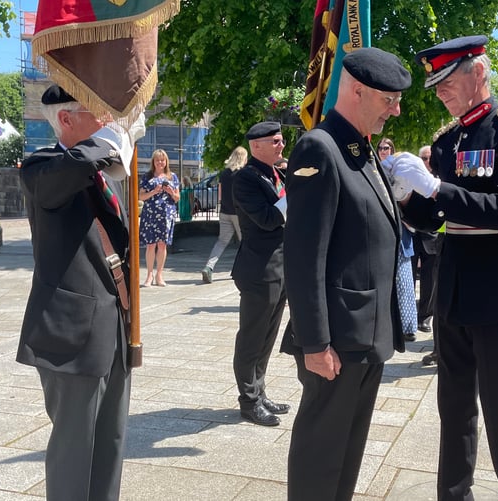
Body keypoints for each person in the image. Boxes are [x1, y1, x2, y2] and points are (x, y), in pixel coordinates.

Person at [394, 35, 498, 501]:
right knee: (453, 408)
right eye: (434, 84)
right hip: (454, 287)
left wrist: (436, 188)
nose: (439, 92)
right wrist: (407, 199)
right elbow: (434, 219)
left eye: (446, 81)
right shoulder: (446, 139)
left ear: (478, 72)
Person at [281, 47, 410, 501]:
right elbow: (303, 256)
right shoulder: (321, 146)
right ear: (357, 90)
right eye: (388, 100)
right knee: (322, 452)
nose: (395, 110)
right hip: (335, 337)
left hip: (366, 333)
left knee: (348, 450)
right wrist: (314, 343)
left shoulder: (360, 149)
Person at [17, 84, 133, 500]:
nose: (107, 121)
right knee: (74, 453)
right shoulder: (42, 168)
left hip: (113, 328)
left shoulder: (100, 174)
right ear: (65, 119)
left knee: (110, 444)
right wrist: (109, 144)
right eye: (96, 112)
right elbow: (70, 169)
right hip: (71, 334)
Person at [231, 121, 289, 426]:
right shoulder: (246, 179)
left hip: (281, 267)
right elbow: (268, 219)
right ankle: (248, 401)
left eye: (281, 140)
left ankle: (260, 390)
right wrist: (297, 193)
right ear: (257, 146)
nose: (282, 145)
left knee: (268, 336)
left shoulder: (277, 174)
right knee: (252, 337)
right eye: (276, 141)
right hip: (259, 268)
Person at [378, 136, 418, 343]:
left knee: (404, 281)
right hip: (381, 236)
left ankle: (408, 326)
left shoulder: (401, 172)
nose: (384, 150)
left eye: (388, 147)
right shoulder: (374, 172)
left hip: (402, 233)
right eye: (381, 147)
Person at [201, 146, 247, 283]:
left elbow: (220, 195)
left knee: (221, 242)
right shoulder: (243, 174)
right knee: (245, 242)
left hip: (225, 211)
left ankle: (208, 267)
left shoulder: (224, 174)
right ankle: (244, 271)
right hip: (239, 212)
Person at [138, 149, 179, 287]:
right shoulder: (147, 176)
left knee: (162, 245)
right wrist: (154, 191)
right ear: (153, 162)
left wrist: (171, 192)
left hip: (166, 214)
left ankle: (159, 275)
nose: (160, 162)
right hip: (150, 214)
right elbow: (141, 196)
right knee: (150, 245)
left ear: (166, 161)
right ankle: (149, 274)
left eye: (162, 160)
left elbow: (177, 198)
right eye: (157, 160)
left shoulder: (172, 177)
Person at [412, 144, 442, 336]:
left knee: (429, 281)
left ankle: (424, 317)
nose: (427, 162)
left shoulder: (441, 179)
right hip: (412, 236)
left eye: (429, 158)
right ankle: (408, 316)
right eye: (423, 158)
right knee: (408, 279)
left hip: (432, 238)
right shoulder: (412, 178)